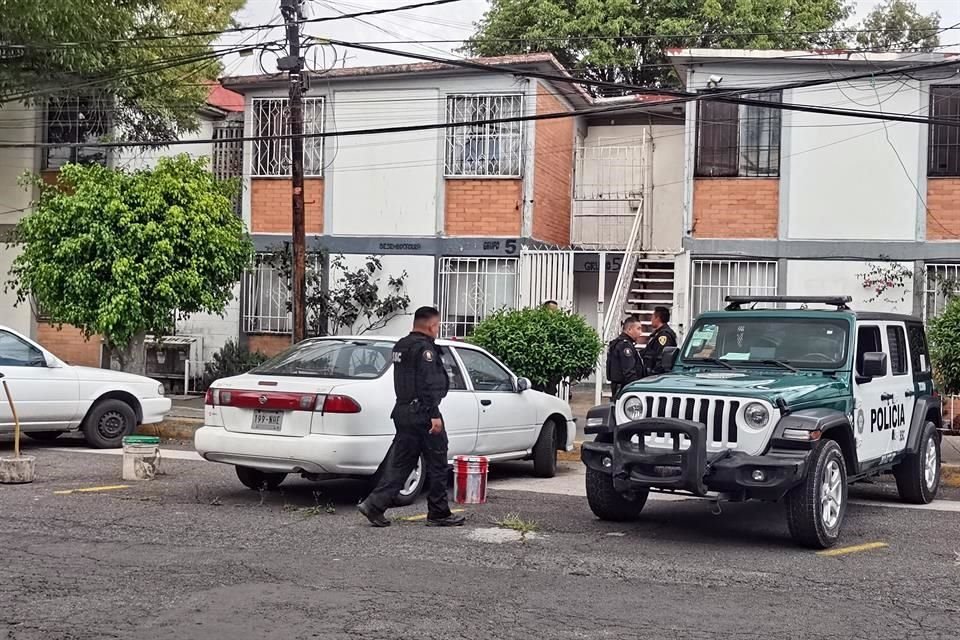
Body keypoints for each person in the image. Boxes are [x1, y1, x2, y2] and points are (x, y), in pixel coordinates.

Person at [358, 306, 465, 528]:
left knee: (402, 463)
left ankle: (373, 505)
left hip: (403, 411)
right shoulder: (425, 349)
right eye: (437, 325)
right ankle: (438, 513)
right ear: (431, 325)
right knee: (437, 462)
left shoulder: (401, 346)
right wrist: (434, 414)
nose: (438, 330)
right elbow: (429, 384)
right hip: (424, 414)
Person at [606, 316, 645, 399]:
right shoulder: (625, 345)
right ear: (629, 329)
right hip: (624, 388)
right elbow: (629, 371)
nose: (640, 333)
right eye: (638, 329)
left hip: (620, 386)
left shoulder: (621, 343)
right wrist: (636, 388)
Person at [641, 306, 678, 376]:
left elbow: (662, 357)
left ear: (657, 318)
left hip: (656, 374)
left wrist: (654, 372)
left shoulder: (664, 336)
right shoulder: (657, 334)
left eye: (652, 317)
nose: (651, 319)